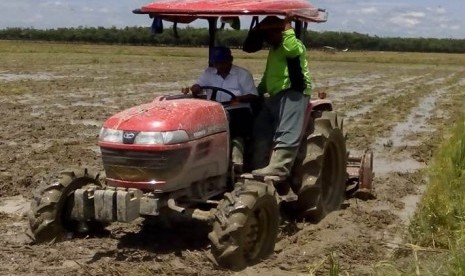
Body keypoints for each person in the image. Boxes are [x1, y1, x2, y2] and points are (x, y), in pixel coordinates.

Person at [251, 15, 313, 178]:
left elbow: (291, 49)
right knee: (261, 129)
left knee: (287, 130)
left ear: (280, 32)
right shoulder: (274, 50)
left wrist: (287, 25)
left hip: (293, 91)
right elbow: (268, 75)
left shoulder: (293, 44)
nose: (267, 39)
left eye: (270, 34)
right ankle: (258, 166)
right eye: (265, 36)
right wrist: (256, 92)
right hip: (275, 94)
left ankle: (279, 168)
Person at [182, 46, 258, 172]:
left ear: (230, 60)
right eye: (216, 63)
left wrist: (238, 99)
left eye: (222, 62)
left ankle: (236, 159)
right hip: (215, 110)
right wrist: (195, 88)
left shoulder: (242, 74)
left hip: (238, 109)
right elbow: (198, 85)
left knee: (235, 128)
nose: (219, 66)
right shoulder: (209, 73)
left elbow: (253, 96)